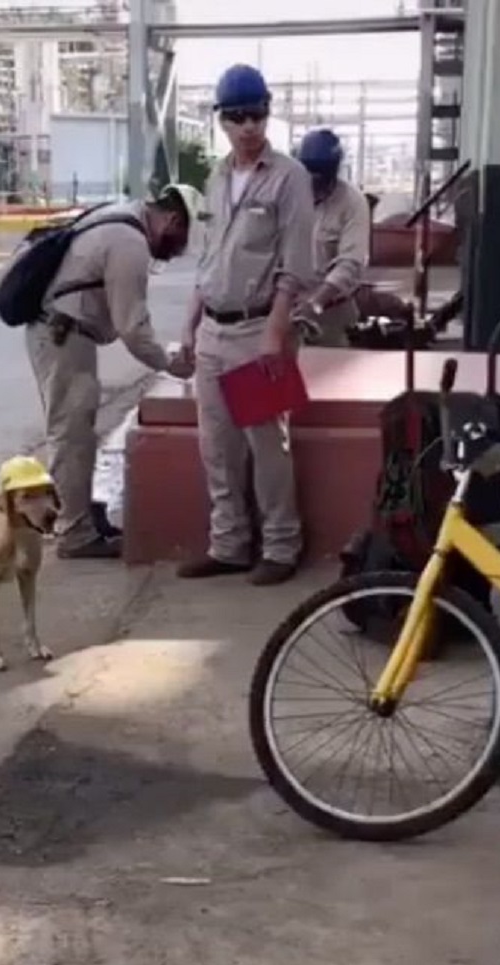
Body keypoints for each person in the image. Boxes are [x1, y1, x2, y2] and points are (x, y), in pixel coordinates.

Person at [176, 64, 315, 586]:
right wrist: (189, 327)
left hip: (259, 331)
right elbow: (207, 260)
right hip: (213, 330)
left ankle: (281, 545)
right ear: (221, 120)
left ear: (268, 112)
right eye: (236, 117)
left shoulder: (289, 178)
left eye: (256, 114)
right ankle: (229, 545)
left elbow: (297, 264)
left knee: (266, 446)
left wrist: (276, 332)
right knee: (217, 446)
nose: (248, 126)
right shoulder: (214, 178)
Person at [25, 183, 203, 560]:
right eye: (180, 239)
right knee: (71, 434)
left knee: (79, 433)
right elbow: (133, 329)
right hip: (62, 336)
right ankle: (74, 534)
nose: (174, 251)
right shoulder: (129, 243)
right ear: (172, 220)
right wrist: (175, 365)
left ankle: (80, 513)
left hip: (63, 333)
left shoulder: (119, 215)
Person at [293, 128, 372, 347]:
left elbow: (351, 262)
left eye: (321, 178)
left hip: (332, 312)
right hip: (287, 308)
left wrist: (315, 301)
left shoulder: (352, 203)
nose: (314, 184)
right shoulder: (288, 197)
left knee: (333, 374)